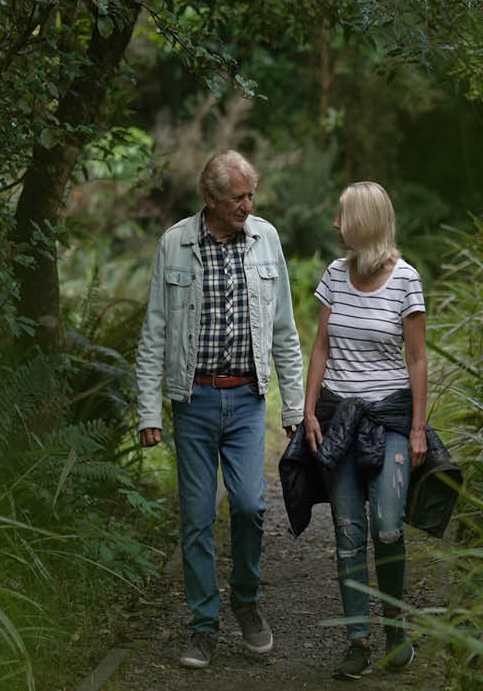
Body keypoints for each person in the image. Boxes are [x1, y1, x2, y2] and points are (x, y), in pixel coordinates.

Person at [133, 150, 305, 669]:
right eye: (238, 197)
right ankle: (203, 624)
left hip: (249, 399)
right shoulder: (175, 244)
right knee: (196, 516)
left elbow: (285, 331)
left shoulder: (266, 239)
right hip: (194, 399)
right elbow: (155, 332)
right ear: (210, 199)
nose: (247, 206)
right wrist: (149, 412)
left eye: (252, 194)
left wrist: (293, 406)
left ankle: (246, 602)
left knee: (251, 506)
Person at [300, 181, 426, 679]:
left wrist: (418, 427)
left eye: (343, 217)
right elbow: (321, 348)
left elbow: (416, 358)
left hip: (391, 417)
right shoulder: (334, 274)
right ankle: (358, 639)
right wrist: (310, 412)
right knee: (348, 532)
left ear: (365, 224)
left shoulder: (406, 280)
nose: (335, 225)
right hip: (340, 419)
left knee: (388, 524)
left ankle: (396, 629)